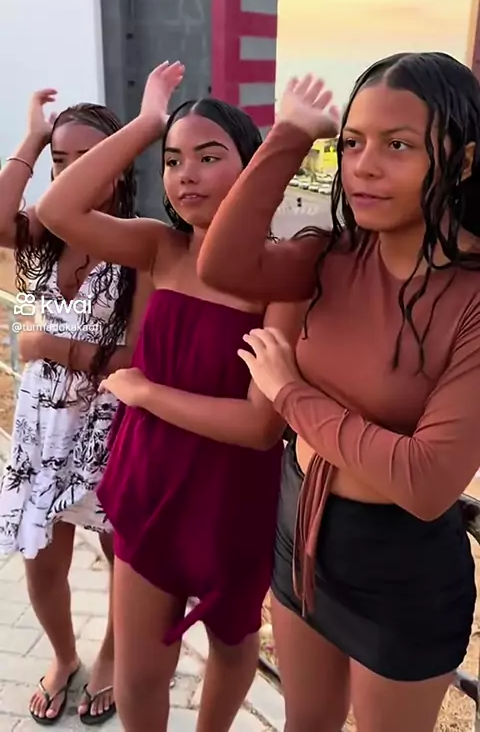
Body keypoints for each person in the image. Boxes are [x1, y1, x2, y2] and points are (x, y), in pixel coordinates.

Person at [197, 54, 480, 732]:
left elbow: (426, 481)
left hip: (401, 574)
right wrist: (291, 135)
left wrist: (290, 394)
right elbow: (223, 264)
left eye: (398, 146)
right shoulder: (334, 256)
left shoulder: (471, 298)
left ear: (464, 162)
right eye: (352, 143)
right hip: (300, 529)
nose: (364, 167)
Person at [35, 61, 301, 732]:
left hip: (230, 502)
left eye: (209, 157)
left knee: (232, 643)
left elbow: (260, 425)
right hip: (147, 487)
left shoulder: (282, 275)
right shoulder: (160, 247)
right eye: (173, 160)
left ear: (252, 169)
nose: (186, 175)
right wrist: (147, 122)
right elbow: (58, 210)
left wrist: (147, 393)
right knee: (138, 676)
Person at [0, 92, 150, 725]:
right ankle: (64, 656)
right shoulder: (46, 230)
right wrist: (32, 140)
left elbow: (135, 359)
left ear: (119, 163)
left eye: (89, 157)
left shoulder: (141, 245)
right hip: (39, 425)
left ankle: (112, 656)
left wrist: (46, 346)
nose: (72, 171)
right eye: (61, 160)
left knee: (120, 558)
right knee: (40, 561)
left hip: (107, 427)